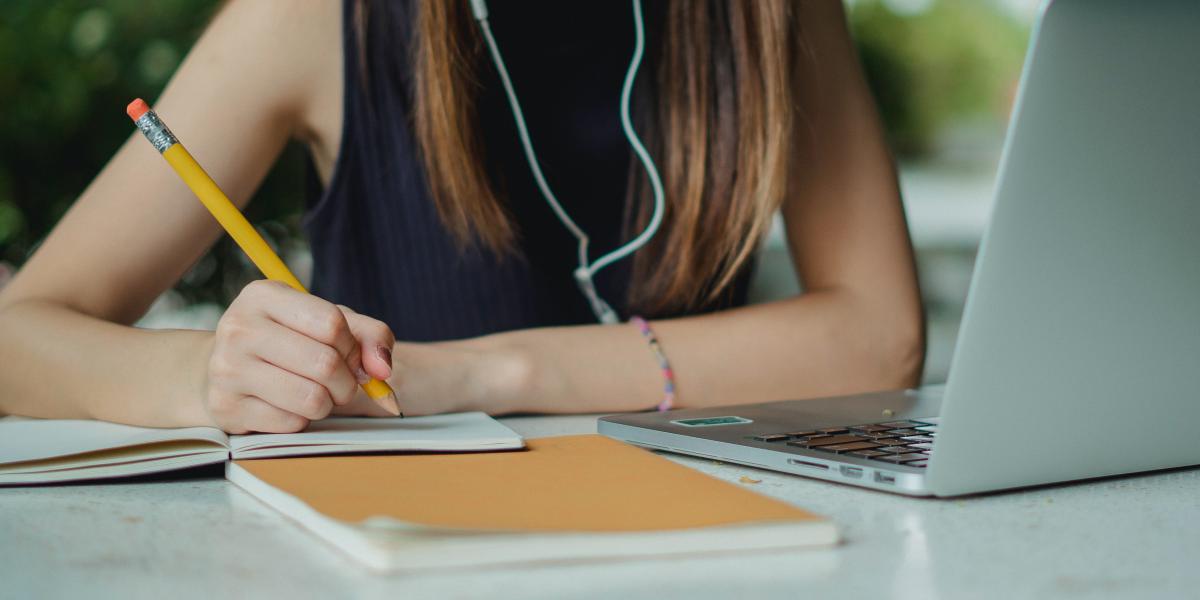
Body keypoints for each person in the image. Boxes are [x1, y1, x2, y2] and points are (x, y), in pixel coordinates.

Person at [0, 0, 924, 433]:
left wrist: (485, 370)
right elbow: (19, 340)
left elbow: (877, 338)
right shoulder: (312, 16)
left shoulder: (766, 16)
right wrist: (210, 377)